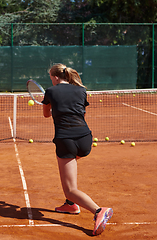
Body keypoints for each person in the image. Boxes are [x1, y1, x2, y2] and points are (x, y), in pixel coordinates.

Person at [42, 63, 113, 235]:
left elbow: (46, 114)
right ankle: (71, 205)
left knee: (70, 188)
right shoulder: (81, 90)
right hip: (85, 140)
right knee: (70, 169)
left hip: (66, 141)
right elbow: (80, 113)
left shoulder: (51, 91)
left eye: (50, 77)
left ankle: (98, 210)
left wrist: (53, 107)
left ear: (55, 77)